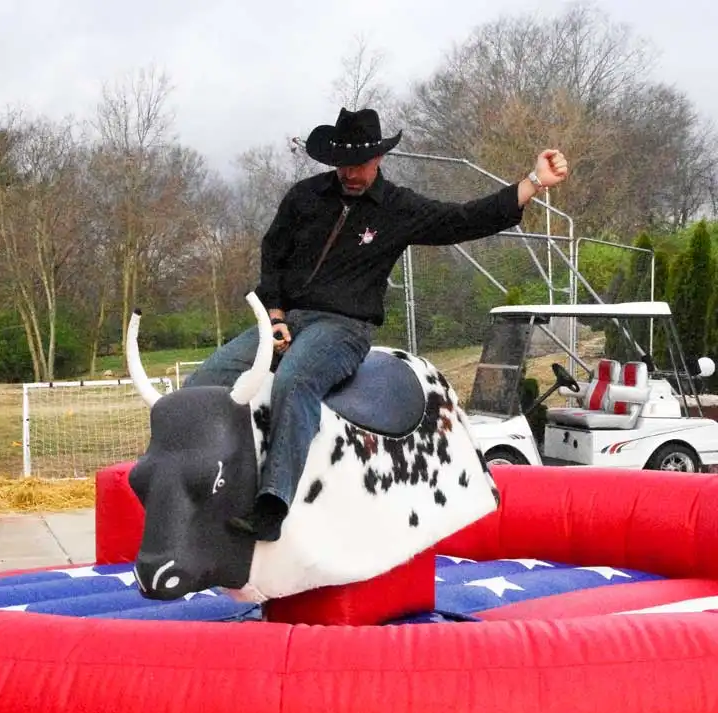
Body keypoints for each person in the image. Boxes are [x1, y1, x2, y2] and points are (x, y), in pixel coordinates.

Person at [186, 106, 569, 540]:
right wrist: (274, 315)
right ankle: (188, 486)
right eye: (343, 165)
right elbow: (272, 255)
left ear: (378, 160)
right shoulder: (304, 197)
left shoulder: (397, 208)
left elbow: (463, 219)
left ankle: (273, 505)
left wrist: (533, 183)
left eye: (360, 165)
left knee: (295, 380)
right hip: (283, 319)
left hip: (343, 327)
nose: (350, 174)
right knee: (202, 383)